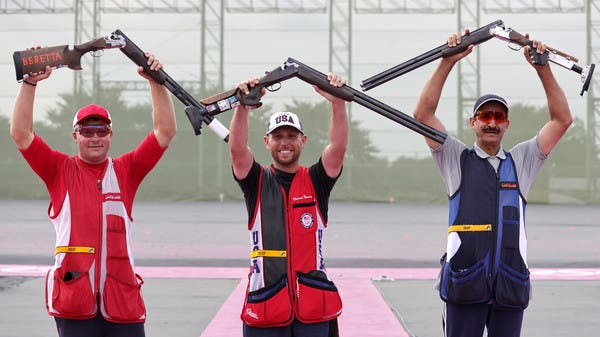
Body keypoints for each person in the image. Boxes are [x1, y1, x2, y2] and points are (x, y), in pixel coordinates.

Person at [412, 29, 573, 337]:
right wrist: (447, 62)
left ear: (506, 124)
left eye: (499, 117)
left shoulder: (522, 161)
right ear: (473, 123)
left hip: (509, 286)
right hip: (464, 286)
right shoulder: (454, 157)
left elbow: (562, 120)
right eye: (485, 116)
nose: (491, 122)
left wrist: (543, 68)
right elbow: (422, 114)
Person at [10, 51, 176, 337]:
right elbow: (21, 133)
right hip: (75, 302)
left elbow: (165, 131)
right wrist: (30, 84)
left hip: (122, 303)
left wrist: (156, 83)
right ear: (75, 136)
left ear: (111, 134)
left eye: (101, 130)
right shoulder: (58, 170)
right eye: (87, 131)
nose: (95, 137)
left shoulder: (127, 170)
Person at [229, 73, 348, 337]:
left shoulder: (317, 180)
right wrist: (242, 108)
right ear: (267, 142)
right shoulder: (256, 181)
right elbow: (238, 151)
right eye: (278, 136)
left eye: (292, 136)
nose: (285, 142)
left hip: (313, 307)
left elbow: (337, 149)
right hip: (266, 305)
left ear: (303, 140)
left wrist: (338, 104)